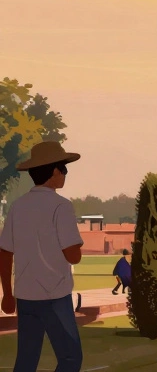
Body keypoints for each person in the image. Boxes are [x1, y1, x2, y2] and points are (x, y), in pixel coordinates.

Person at [0, 141, 85, 372]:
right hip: (55, 296)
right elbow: (73, 256)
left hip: (26, 297)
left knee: (26, 360)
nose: (65, 175)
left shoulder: (17, 207)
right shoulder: (61, 207)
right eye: (64, 169)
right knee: (70, 358)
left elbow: (5, 252)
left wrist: (8, 294)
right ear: (55, 171)